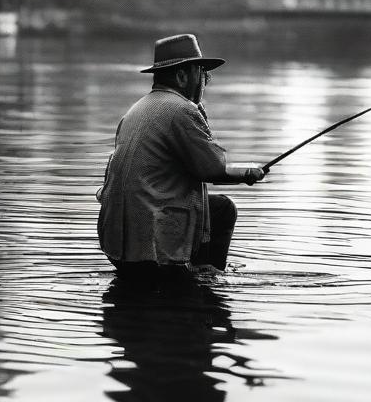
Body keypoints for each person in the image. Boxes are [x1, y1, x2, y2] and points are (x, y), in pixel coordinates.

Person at [96, 33, 267, 282]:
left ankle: (196, 270)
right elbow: (211, 169)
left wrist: (246, 172)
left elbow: (199, 167)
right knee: (224, 209)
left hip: (117, 243)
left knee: (213, 206)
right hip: (150, 249)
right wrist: (248, 173)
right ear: (183, 76)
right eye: (202, 73)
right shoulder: (182, 110)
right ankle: (207, 280)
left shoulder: (135, 110)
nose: (205, 81)